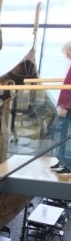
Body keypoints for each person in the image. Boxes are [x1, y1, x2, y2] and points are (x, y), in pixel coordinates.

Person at [50, 41, 71, 176]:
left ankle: (68, 163)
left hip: (69, 107)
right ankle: (62, 160)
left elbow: (69, 89)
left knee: (65, 134)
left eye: (67, 53)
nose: (66, 56)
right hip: (67, 107)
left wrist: (65, 107)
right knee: (61, 133)